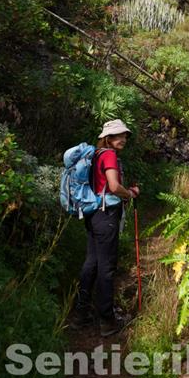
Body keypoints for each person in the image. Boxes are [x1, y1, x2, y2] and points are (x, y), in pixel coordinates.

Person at [70, 119, 140, 337]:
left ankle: (80, 315)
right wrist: (129, 194)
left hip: (92, 214)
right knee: (106, 267)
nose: (123, 139)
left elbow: (102, 186)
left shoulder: (95, 155)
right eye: (118, 135)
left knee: (91, 263)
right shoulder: (109, 155)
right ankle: (107, 321)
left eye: (125, 135)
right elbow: (112, 186)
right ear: (107, 138)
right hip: (106, 215)